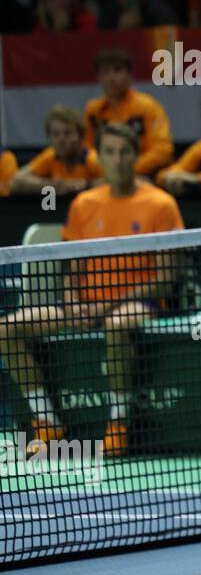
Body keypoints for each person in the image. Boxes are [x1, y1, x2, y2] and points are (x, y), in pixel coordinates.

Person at [0, 123, 183, 455]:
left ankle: (118, 423)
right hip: (85, 305)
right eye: (110, 152)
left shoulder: (161, 204)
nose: (117, 160)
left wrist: (107, 306)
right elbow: (73, 270)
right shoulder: (84, 204)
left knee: (116, 324)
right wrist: (71, 302)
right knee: (6, 329)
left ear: (136, 156)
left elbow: (166, 278)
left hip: (140, 303)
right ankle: (47, 422)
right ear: (100, 157)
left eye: (124, 152)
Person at [83, 48, 175, 176]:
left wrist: (125, 170)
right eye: (105, 72)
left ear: (130, 76)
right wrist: (104, 168)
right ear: (98, 78)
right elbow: (87, 150)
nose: (111, 78)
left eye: (117, 70)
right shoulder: (93, 110)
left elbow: (163, 151)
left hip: (144, 176)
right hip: (105, 177)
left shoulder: (148, 106)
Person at [9, 106, 104, 197]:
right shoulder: (51, 155)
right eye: (55, 134)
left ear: (81, 136)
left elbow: (114, 181)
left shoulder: (92, 158)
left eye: (68, 133)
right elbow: (15, 182)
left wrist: (87, 185)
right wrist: (52, 186)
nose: (61, 139)